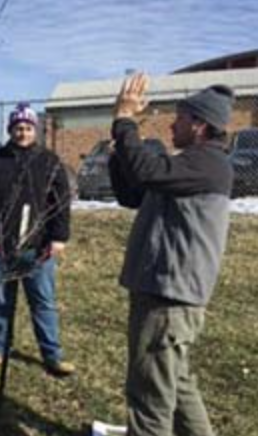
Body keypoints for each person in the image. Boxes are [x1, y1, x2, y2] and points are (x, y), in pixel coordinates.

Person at [109, 73, 234, 436]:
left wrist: (126, 121)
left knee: (149, 400)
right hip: (169, 298)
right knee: (176, 384)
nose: (171, 123)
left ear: (199, 125)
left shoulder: (207, 164)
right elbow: (133, 193)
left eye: (180, 117)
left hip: (168, 301)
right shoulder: (188, 166)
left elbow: (147, 172)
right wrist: (121, 143)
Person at [0, 102, 75, 377]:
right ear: (10, 129)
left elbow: (61, 204)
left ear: (34, 130)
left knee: (43, 302)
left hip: (37, 249)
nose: (22, 133)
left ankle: (52, 355)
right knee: (1, 302)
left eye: (27, 128)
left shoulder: (49, 162)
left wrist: (58, 238)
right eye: (17, 128)